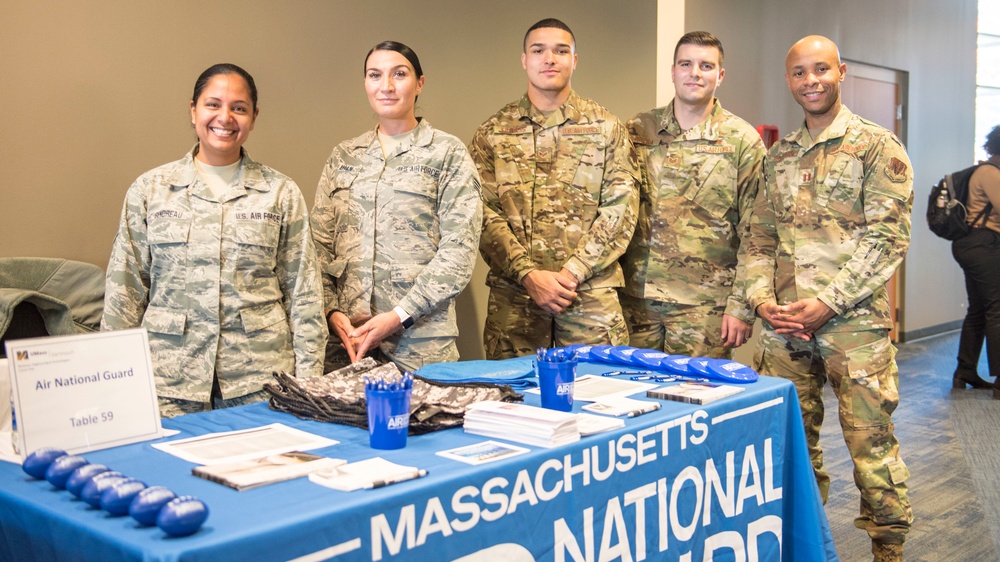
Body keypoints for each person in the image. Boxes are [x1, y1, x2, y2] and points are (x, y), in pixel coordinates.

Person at [745, 36, 913, 562]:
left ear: (840, 72)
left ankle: (888, 549)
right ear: (789, 78)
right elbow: (759, 239)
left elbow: (888, 239)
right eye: (800, 72)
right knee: (787, 446)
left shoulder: (875, 146)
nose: (811, 80)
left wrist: (829, 303)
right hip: (784, 330)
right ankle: (802, 544)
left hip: (854, 329)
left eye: (821, 69)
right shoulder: (780, 157)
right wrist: (759, 301)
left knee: (871, 450)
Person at [103, 63, 327, 418]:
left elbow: (304, 295)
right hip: (167, 382)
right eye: (213, 104)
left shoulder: (280, 193)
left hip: (258, 381)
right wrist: (113, 382)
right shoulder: (151, 190)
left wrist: (311, 387)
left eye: (239, 108)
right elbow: (125, 291)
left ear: (253, 117)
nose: (225, 117)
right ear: (193, 110)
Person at [469, 18, 638, 359]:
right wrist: (528, 274)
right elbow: (481, 215)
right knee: (514, 402)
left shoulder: (606, 128)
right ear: (524, 60)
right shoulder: (493, 132)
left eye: (561, 51)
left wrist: (572, 273)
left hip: (589, 300)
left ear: (574, 60)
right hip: (516, 302)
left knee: (598, 401)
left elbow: (621, 210)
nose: (550, 59)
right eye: (539, 50)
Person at [311, 41, 482, 373]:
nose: (386, 86)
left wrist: (399, 316)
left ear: (419, 83)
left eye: (399, 74)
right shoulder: (344, 156)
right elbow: (318, 245)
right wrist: (332, 312)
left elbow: (459, 252)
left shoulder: (447, 154)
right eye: (375, 75)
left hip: (419, 344)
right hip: (349, 344)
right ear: (365, 83)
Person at [619, 31, 763, 358]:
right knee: (629, 394)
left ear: (720, 75)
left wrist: (741, 305)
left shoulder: (741, 141)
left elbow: (757, 232)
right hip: (635, 301)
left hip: (705, 308)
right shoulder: (638, 129)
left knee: (696, 399)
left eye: (706, 65)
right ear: (673, 71)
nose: (695, 73)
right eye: (686, 63)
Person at [951, 125, 1000, 395]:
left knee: (979, 310)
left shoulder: (984, 170)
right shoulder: (990, 173)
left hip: (973, 245)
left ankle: (965, 371)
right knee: (997, 309)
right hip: (983, 245)